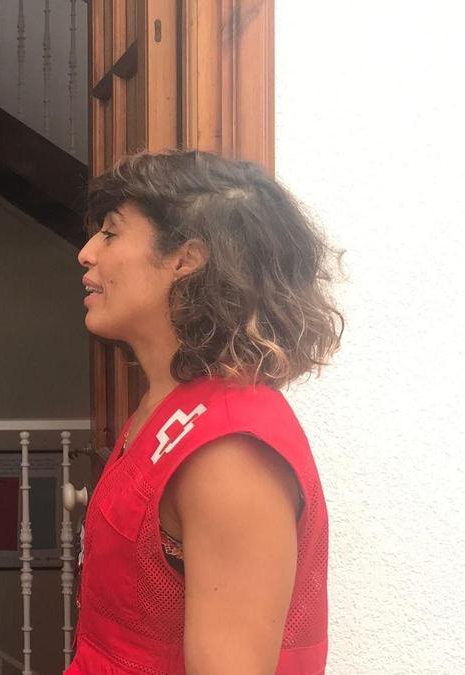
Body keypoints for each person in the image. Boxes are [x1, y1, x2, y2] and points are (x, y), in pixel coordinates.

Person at [67, 150, 341, 674]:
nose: (86, 253)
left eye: (110, 233)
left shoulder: (231, 452)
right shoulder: (167, 404)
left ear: (185, 258)